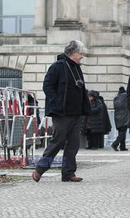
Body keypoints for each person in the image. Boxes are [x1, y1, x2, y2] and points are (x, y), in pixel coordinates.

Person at [32, 40, 91, 183]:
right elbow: (47, 86)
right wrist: (56, 102)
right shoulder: (57, 66)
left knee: (74, 144)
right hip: (62, 113)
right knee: (57, 142)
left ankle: (68, 173)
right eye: (80, 53)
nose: (82, 56)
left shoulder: (77, 67)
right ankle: (40, 169)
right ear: (72, 53)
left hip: (76, 113)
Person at [112, 86, 129, 151]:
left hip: (117, 118)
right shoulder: (125, 96)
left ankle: (122, 146)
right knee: (123, 133)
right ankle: (115, 144)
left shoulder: (116, 98)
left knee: (121, 132)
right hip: (124, 117)